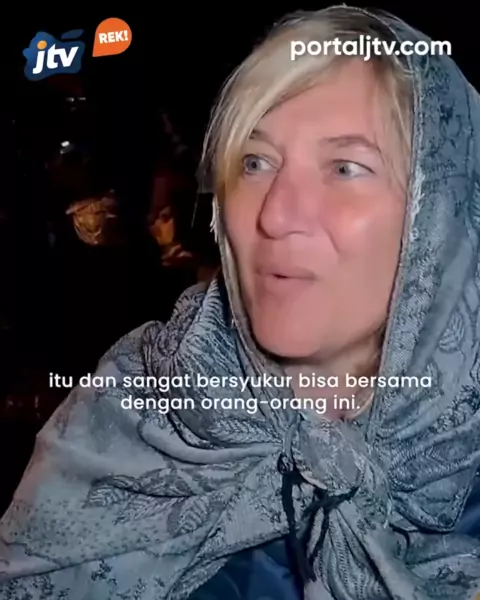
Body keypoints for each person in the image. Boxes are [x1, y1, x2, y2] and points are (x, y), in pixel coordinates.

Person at [1, 6, 480, 600]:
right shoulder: (136, 405)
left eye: (345, 167)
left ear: (441, 216)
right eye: (255, 162)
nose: (274, 214)